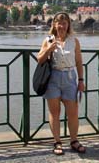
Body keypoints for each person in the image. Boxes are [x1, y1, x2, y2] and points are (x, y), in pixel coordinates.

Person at [37, 12, 86, 155]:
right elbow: (39, 59)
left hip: (70, 77)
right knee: (54, 112)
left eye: (64, 23)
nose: (61, 26)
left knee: (73, 112)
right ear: (54, 25)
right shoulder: (48, 40)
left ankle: (74, 140)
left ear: (68, 25)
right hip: (53, 77)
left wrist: (81, 80)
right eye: (59, 23)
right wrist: (48, 49)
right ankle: (57, 142)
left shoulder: (74, 41)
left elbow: (79, 62)